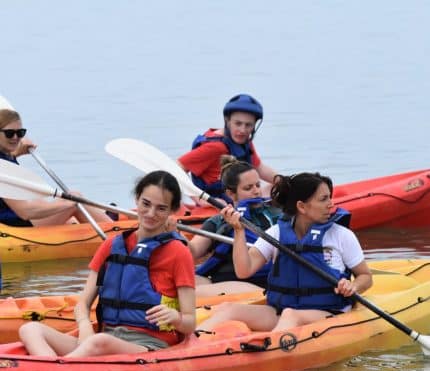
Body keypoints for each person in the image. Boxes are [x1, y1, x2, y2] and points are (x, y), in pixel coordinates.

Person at [19, 171, 196, 357]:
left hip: (149, 345)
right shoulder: (112, 246)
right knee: (30, 329)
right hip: (105, 336)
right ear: (136, 199)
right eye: (146, 204)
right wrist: (85, 325)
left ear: (172, 211)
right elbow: (83, 304)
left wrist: (176, 318)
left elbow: (190, 322)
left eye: (161, 208)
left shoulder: (178, 252)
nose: (151, 213)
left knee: (100, 342)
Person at [197, 172, 373, 332]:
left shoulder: (341, 235)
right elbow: (244, 270)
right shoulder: (277, 233)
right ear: (302, 207)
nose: (331, 204)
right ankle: (186, 350)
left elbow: (365, 276)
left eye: (329, 198)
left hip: (328, 313)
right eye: (323, 199)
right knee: (229, 309)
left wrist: (353, 286)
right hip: (281, 311)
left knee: (291, 315)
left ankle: (267, 357)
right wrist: (238, 231)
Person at [188, 155, 281, 296]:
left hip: (257, 283)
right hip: (224, 281)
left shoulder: (275, 214)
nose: (256, 191)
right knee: (182, 282)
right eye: (248, 188)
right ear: (231, 193)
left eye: (258, 185)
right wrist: (172, 235)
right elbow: (193, 252)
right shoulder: (218, 221)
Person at [0, 108, 111, 227]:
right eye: (10, 133)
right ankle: (119, 234)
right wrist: (71, 204)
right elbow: (25, 212)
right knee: (76, 202)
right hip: (14, 226)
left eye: (20, 133)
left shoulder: (5, 157)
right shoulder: (3, 168)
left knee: (68, 199)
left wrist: (16, 154)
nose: (16, 137)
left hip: (13, 219)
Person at [178, 94, 277, 200]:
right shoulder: (215, 147)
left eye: (248, 125)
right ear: (227, 121)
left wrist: (286, 182)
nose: (243, 130)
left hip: (237, 198)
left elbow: (259, 168)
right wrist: (200, 199)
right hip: (216, 203)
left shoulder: (244, 141)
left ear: (254, 125)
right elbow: (178, 167)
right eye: (238, 123)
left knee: (277, 188)